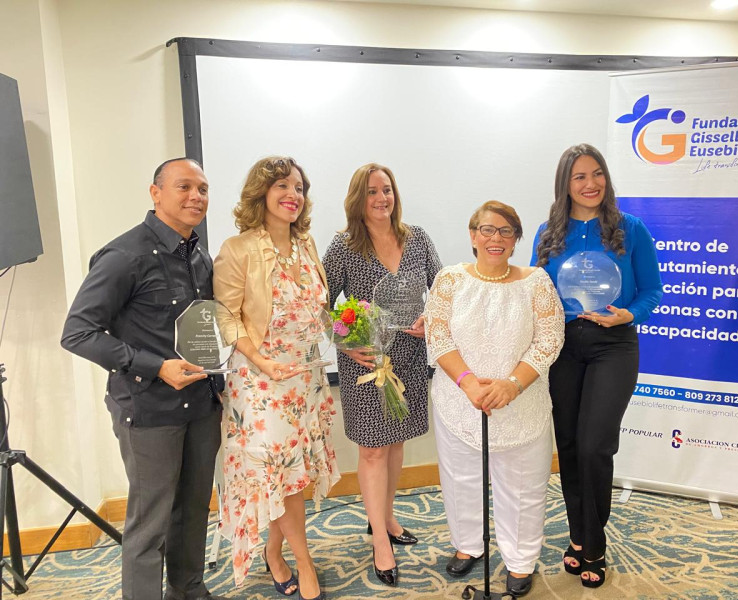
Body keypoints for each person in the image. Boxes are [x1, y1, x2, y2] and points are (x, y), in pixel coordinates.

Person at [61, 158, 227, 600]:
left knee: (192, 512)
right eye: (184, 187)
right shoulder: (124, 256)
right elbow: (77, 333)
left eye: (204, 189)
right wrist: (155, 367)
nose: (196, 197)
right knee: (149, 523)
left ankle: (189, 590)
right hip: (149, 410)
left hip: (201, 407)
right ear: (155, 194)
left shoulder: (199, 256)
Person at [533, 143, 663, 588]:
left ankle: (596, 542)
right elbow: (535, 292)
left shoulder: (631, 229)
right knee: (568, 444)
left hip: (614, 345)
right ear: (565, 184)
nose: (591, 184)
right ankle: (577, 536)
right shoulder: (547, 233)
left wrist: (630, 314)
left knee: (594, 446)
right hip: (564, 346)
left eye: (597, 174)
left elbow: (652, 291)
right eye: (580, 177)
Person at [213, 156, 339, 600]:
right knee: (279, 474)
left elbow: (318, 309)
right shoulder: (237, 248)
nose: (293, 195)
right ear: (261, 193)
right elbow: (227, 318)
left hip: (303, 378)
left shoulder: (306, 245)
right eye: (283, 186)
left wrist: (350, 334)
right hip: (261, 382)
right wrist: (262, 362)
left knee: (291, 478)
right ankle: (302, 562)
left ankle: (274, 551)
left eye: (300, 188)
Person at [425, 200, 564, 598]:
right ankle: (468, 543)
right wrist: (468, 383)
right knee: (460, 478)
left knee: (522, 485)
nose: (495, 238)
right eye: (487, 230)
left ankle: (519, 560)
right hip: (459, 401)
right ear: (473, 235)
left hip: (522, 402)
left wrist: (511, 385)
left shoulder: (537, 281)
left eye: (505, 231)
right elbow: (438, 337)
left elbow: (550, 338)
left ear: (516, 239)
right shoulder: (450, 280)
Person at [322, 163, 441, 587]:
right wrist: (345, 342)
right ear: (358, 198)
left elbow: (442, 291)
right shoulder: (344, 246)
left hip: (410, 359)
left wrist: (432, 317)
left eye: (386, 190)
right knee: (372, 451)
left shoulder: (417, 238)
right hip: (367, 366)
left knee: (394, 446)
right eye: (371, 191)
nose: (381, 198)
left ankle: (385, 519)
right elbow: (322, 305)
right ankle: (380, 545)